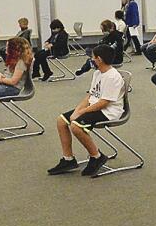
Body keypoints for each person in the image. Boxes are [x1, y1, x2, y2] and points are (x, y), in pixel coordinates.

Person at [46, 45, 125, 177]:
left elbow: (104, 103)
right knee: (61, 120)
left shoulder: (112, 77)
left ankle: (97, 156)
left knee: (76, 127)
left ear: (99, 59)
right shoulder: (97, 73)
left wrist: (82, 112)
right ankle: (68, 159)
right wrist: (78, 110)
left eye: (93, 58)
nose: (91, 60)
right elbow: (90, 95)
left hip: (108, 111)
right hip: (94, 106)